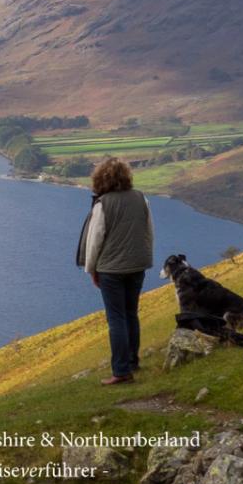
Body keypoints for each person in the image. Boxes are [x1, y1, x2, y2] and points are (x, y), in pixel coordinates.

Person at [83, 157, 154, 385]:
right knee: (131, 313)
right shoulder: (140, 197)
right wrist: (145, 258)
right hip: (137, 265)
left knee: (116, 318)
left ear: (101, 178)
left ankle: (122, 371)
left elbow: (94, 241)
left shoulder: (102, 204)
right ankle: (132, 361)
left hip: (111, 269)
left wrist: (91, 269)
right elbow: (148, 231)